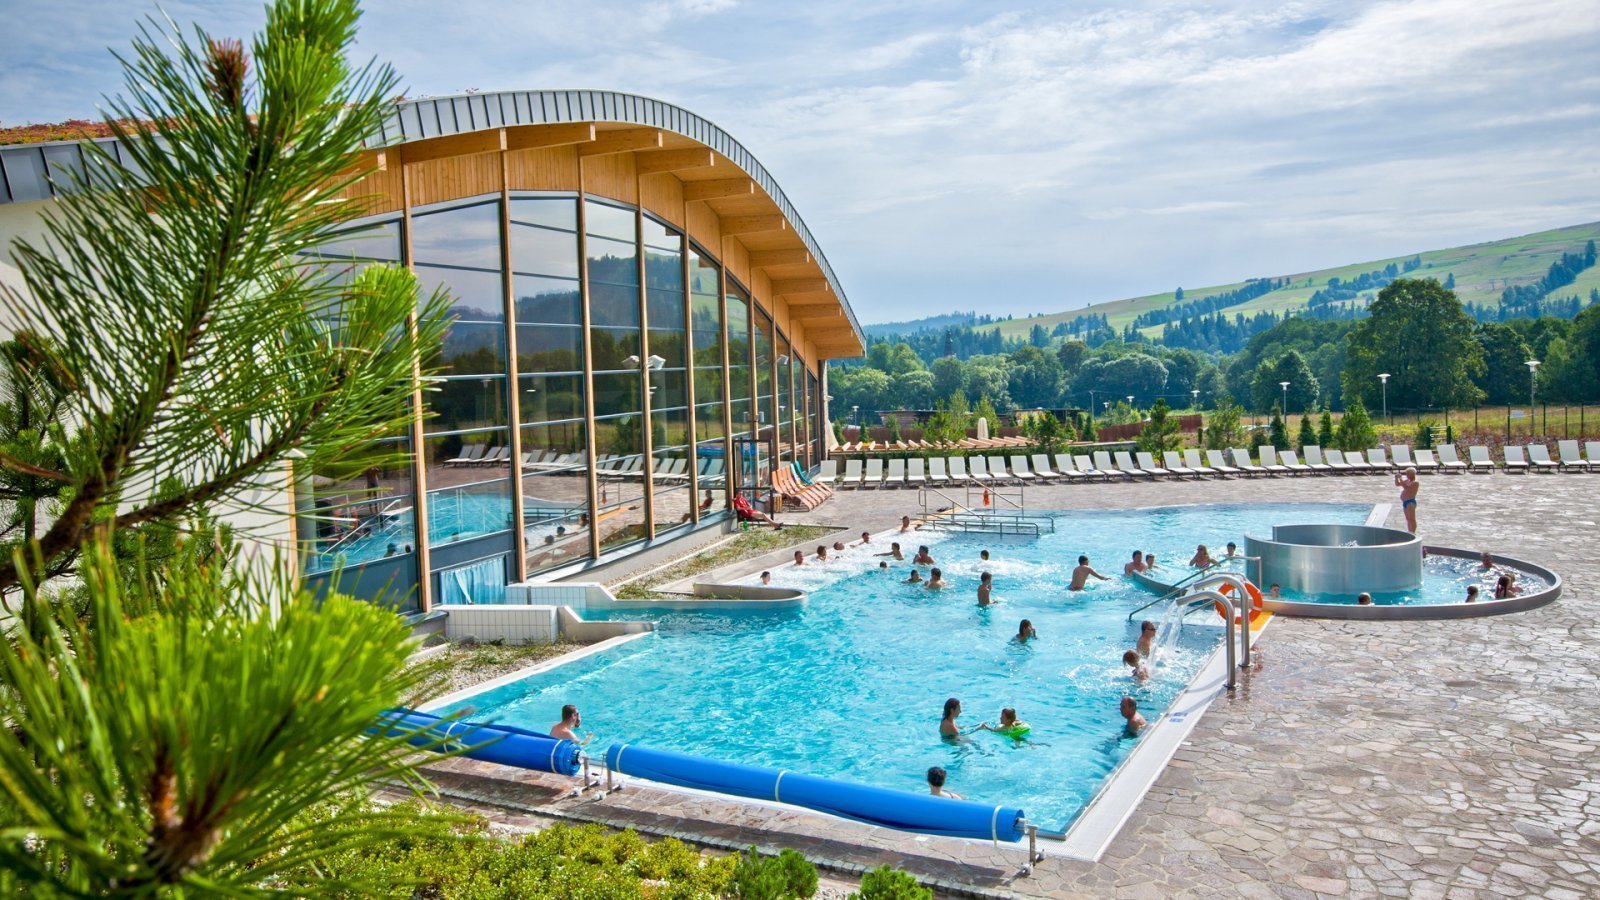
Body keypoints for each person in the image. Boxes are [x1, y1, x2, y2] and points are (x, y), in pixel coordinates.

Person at [1395, 466, 1420, 533]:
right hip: (1405, 502)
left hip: (1410, 502)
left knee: (1412, 519)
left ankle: (1413, 532)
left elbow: (1406, 487)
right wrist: (1396, 478)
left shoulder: (1415, 482)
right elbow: (1397, 484)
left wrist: (1400, 478)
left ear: (1412, 474)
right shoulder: (1407, 481)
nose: (1406, 475)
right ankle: (1410, 532)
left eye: (1407, 474)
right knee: (1408, 519)